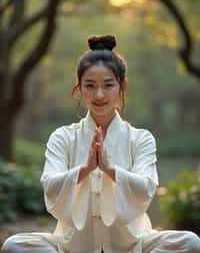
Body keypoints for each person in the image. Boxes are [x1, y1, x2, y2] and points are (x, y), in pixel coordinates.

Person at [1, 35, 200, 253]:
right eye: (90, 85)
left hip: (133, 246)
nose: (99, 94)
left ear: (121, 86)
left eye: (108, 85)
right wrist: (84, 170)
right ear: (79, 88)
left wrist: (111, 169)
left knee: (190, 242)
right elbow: (49, 186)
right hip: (72, 247)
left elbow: (147, 188)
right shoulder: (63, 137)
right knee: (14, 246)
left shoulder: (141, 138)